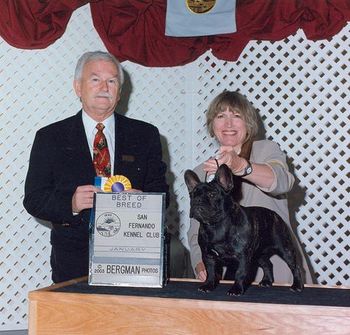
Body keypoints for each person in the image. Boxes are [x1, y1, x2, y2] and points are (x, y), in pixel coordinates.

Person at [23, 51, 169, 283]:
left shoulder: (146, 135)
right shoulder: (50, 137)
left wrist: (143, 201)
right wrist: (70, 203)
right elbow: (34, 199)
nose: (104, 87)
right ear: (77, 87)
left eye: (112, 81)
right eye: (95, 79)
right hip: (72, 261)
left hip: (134, 259)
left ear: (120, 92)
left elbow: (163, 195)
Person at [187, 90, 314, 285]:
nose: (228, 124)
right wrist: (200, 262)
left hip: (276, 274)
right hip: (227, 280)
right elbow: (196, 230)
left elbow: (282, 181)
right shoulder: (201, 171)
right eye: (221, 116)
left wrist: (240, 166)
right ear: (212, 125)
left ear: (249, 124)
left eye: (236, 116)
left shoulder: (266, 150)